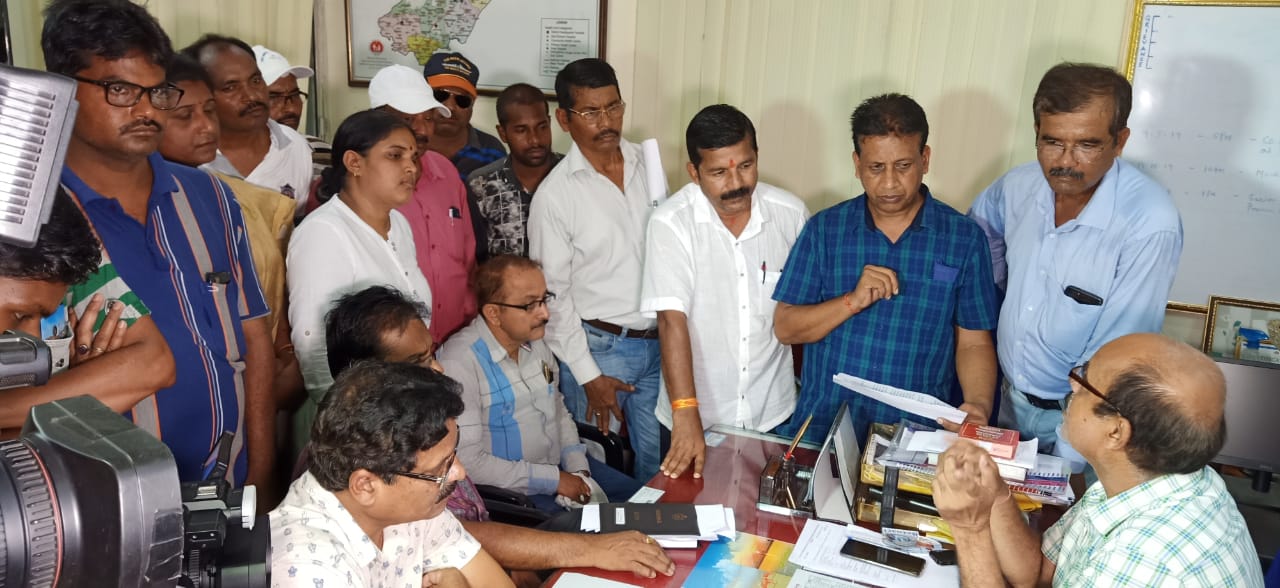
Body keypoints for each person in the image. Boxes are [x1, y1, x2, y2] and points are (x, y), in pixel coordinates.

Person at [44, 0, 275, 487]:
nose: (147, 110)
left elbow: (253, 339)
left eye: (158, 91)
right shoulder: (39, 221)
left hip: (229, 484)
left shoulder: (210, 197)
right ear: (62, 89)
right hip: (107, 499)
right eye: (121, 90)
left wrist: (260, 473)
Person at [325, 285, 674, 581]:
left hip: (489, 548)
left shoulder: (412, 424)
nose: (438, 368)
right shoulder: (359, 454)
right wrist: (587, 550)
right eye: (419, 362)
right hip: (493, 536)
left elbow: (453, 535)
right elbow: (459, 533)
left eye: (430, 354)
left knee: (648, 525)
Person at [968, 63, 1183, 472]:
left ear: (1120, 141)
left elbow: (1119, 357)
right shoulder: (1017, 187)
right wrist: (997, 295)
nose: (1065, 162)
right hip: (1006, 402)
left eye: (1087, 145)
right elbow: (978, 236)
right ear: (1036, 132)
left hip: (1086, 420)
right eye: (1052, 142)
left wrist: (1069, 464)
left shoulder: (1149, 222)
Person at [932, 333, 1263, 588]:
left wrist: (970, 530)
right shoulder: (1151, 478)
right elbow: (1040, 572)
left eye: (1085, 380)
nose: (1071, 384)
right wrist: (996, 492)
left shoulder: (1143, 561)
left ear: (1116, 432)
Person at [772, 93, 999, 444]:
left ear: (925, 159)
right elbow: (786, 328)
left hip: (915, 436)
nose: (890, 183)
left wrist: (979, 405)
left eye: (903, 166)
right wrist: (851, 301)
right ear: (857, 163)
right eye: (876, 168)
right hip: (824, 428)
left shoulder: (963, 238)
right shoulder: (825, 230)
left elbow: (973, 342)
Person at [641, 105, 808, 478]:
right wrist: (686, 412)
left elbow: (805, 309)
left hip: (773, 413)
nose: (736, 183)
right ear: (694, 172)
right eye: (719, 172)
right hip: (696, 417)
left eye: (745, 166)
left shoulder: (791, 215)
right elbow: (671, 321)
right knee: (690, 511)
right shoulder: (671, 223)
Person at [528, 58, 664, 481]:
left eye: (613, 107)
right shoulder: (555, 197)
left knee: (658, 466)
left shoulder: (649, 163)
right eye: (590, 112)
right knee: (598, 467)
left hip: (659, 342)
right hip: (600, 349)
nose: (606, 122)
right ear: (564, 120)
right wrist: (588, 375)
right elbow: (553, 297)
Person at [269, 360, 514, 587]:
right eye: (440, 467)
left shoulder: (414, 499)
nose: (459, 472)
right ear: (366, 486)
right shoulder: (309, 570)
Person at [438, 256, 644, 513]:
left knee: (647, 502)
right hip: (515, 493)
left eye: (544, 299)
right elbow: (469, 462)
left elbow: (559, 413)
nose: (545, 313)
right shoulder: (459, 362)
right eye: (530, 305)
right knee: (609, 530)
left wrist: (578, 468)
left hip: (562, 469)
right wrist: (555, 481)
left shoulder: (536, 344)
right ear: (493, 313)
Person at [159, 54, 303, 411]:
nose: (207, 126)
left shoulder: (226, 197)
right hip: (182, 387)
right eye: (185, 116)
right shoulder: (143, 201)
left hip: (249, 373)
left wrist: (285, 351)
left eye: (209, 111)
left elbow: (262, 296)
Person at [287, 109, 433, 455]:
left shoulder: (399, 225)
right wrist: (349, 426)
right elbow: (312, 345)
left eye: (413, 157)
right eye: (395, 156)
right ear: (354, 162)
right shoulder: (324, 233)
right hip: (354, 426)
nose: (411, 168)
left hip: (402, 411)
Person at [0, 189, 175, 434]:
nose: (36, 339)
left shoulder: (50, 235)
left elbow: (154, 365)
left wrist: (72, 383)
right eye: (20, 315)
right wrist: (72, 398)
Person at [368, 64, 479, 343]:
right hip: (395, 346)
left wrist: (469, 316)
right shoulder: (364, 183)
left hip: (456, 339)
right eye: (408, 119)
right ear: (377, 120)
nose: (421, 129)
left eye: (428, 118)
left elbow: (467, 258)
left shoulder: (447, 173)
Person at [185, 35, 313, 218]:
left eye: (256, 81)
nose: (252, 96)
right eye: (231, 87)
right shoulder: (186, 153)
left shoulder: (295, 147)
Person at [466, 83, 565, 259]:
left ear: (550, 123)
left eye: (542, 127)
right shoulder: (481, 185)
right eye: (521, 130)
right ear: (502, 133)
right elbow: (473, 257)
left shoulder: (573, 176)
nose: (535, 140)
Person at [422, 51, 506, 181]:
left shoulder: (492, 151)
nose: (450, 107)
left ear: (472, 104)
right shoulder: (404, 144)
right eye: (440, 95)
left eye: (462, 100)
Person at [252, 44, 331, 181]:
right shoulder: (222, 160)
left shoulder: (322, 152)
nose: (291, 109)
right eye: (274, 97)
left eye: (295, 95)